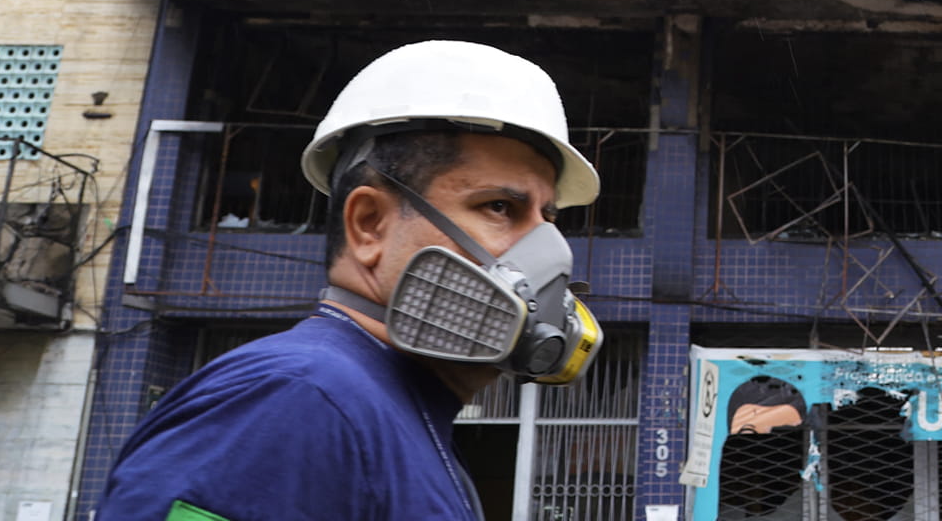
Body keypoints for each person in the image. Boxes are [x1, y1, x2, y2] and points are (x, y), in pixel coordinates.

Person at [101, 40, 603, 521]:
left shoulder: (391, 408)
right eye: (500, 207)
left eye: (548, 218)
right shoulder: (293, 400)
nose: (550, 255)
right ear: (369, 225)